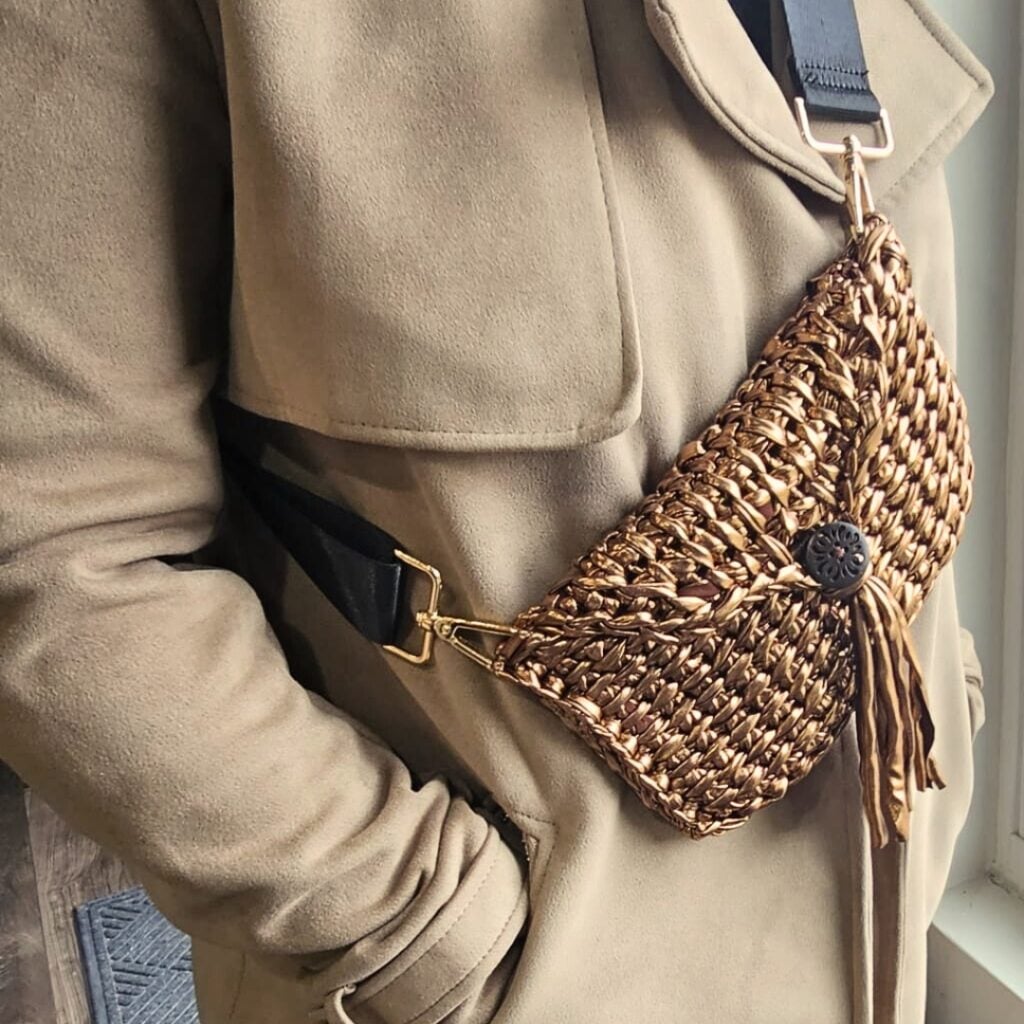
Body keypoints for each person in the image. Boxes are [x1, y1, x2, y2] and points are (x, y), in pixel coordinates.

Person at [0, 2, 992, 1022]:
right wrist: (429, 941)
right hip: (524, 977)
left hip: (883, 905)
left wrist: (949, 707)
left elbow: (883, 291)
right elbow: (61, 547)